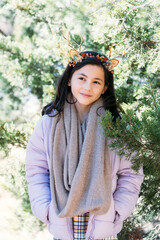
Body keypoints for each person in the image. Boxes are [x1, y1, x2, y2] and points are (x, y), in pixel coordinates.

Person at [25, 50, 144, 240]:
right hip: (63, 222)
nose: (88, 87)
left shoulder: (117, 127)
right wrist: (46, 209)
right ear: (70, 80)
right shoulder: (48, 123)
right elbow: (37, 171)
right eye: (82, 78)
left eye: (96, 81)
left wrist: (117, 211)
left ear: (105, 87)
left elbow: (131, 174)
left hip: (102, 226)